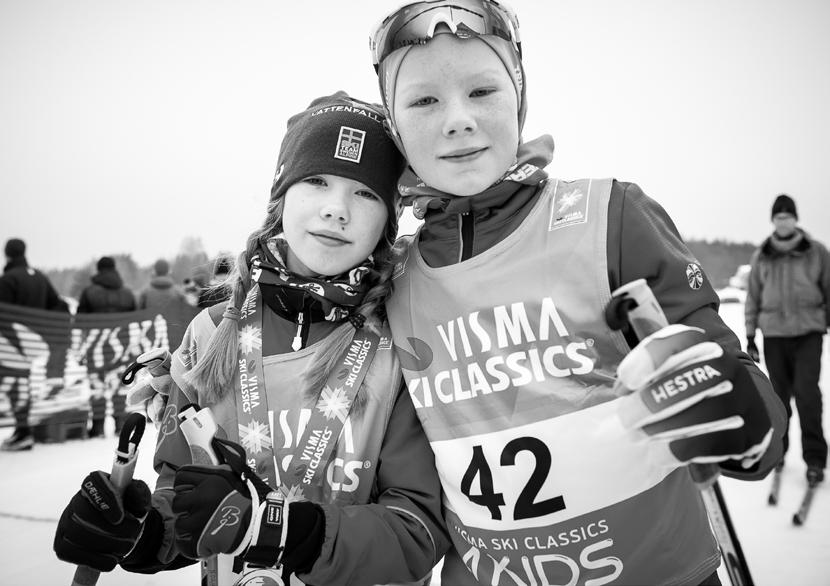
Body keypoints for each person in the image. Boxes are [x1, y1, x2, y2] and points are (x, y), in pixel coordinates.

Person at [369, 2, 787, 585]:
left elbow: (742, 400)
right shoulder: (394, 280)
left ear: (519, 99)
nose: (458, 119)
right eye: (424, 100)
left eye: (483, 90)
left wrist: (737, 413)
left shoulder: (610, 216)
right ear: (394, 124)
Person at [54, 93, 449, 586]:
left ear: (389, 218)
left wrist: (286, 533)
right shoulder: (211, 332)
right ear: (281, 196)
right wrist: (140, 532)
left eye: (365, 193)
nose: (336, 210)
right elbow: (181, 497)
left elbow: (417, 531)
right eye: (316, 181)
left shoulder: (405, 339)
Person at [745, 194, 829, 487]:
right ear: (773, 221)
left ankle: (815, 458)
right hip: (774, 335)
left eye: (788, 217)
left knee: (807, 394)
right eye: (778, 218)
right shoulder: (762, 255)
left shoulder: (816, 251)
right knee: (779, 397)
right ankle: (779, 452)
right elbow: (753, 297)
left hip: (808, 332)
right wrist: (749, 335)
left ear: (795, 219)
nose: (783, 222)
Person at [0, 237, 69, 451]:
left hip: (13, 344)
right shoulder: (39, 277)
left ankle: (23, 432)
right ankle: (23, 430)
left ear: (7, 254)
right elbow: (58, 305)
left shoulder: (8, 279)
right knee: (22, 384)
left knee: (15, 385)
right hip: (35, 343)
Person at [77, 256, 137, 437]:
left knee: (97, 385)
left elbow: (80, 320)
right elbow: (135, 320)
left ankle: (97, 426)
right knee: (119, 383)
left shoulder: (89, 292)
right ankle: (120, 423)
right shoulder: (127, 293)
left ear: (98, 269)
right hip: (120, 346)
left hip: (96, 347)